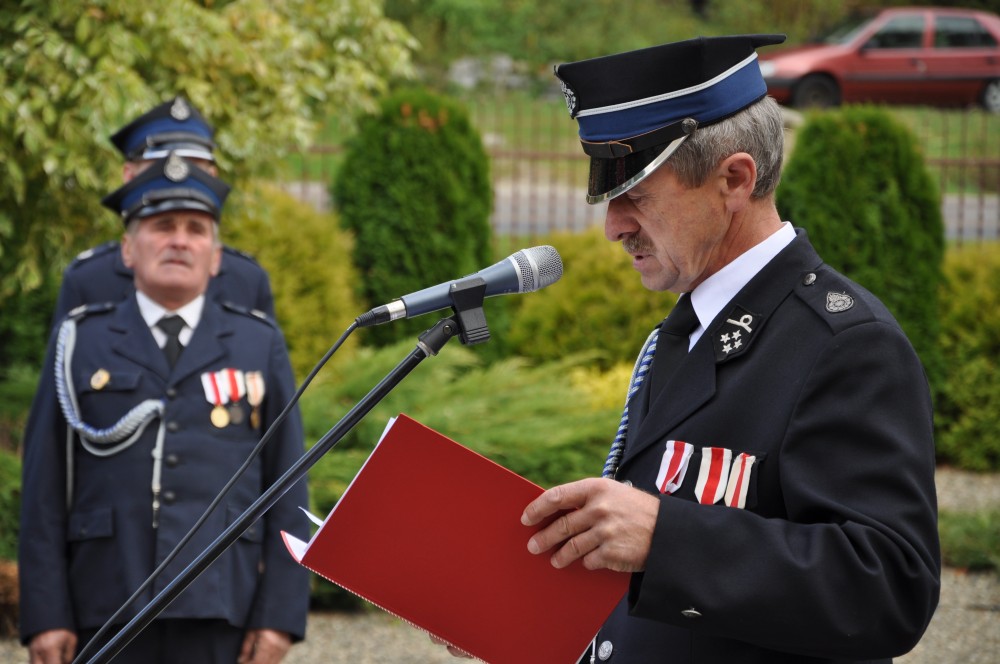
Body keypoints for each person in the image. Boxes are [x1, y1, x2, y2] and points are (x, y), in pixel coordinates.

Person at [516, 35, 940, 663]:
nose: (614, 226)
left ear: (734, 179)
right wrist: (521, 607)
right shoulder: (685, 327)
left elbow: (889, 587)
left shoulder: (847, 345)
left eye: (634, 192)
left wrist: (668, 541)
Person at [19, 152, 310, 664]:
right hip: (104, 601)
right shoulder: (80, 340)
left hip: (224, 604)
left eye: (197, 229)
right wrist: (45, 612)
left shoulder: (256, 341)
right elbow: (44, 484)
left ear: (216, 258)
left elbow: (287, 483)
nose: (179, 240)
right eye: (161, 226)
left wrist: (280, 615)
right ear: (128, 249)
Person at [53, 96, 276, 322]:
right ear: (129, 176)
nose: (179, 177)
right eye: (160, 166)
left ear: (212, 177)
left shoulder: (247, 280)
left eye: (194, 168)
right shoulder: (88, 279)